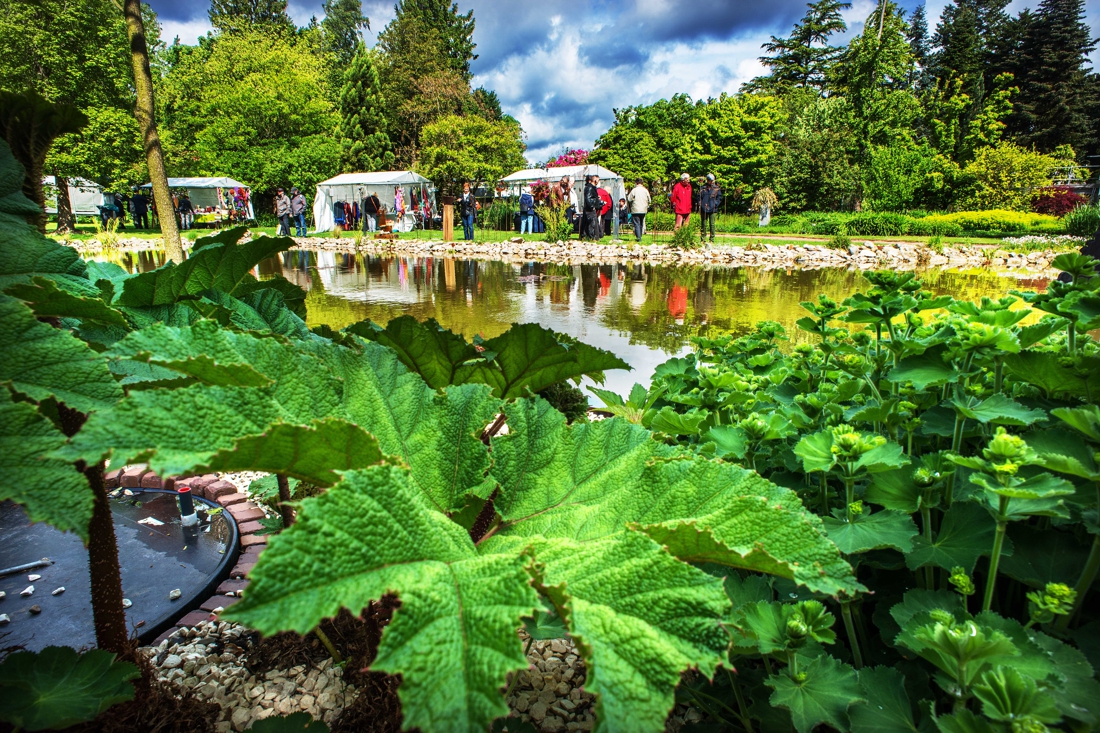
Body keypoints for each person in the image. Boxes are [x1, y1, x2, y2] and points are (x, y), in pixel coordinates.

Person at [698, 173, 723, 243]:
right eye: (711, 180)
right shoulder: (702, 188)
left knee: (712, 224)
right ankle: (703, 239)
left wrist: (715, 204)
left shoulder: (717, 189)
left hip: (713, 209)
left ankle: (712, 239)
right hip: (704, 209)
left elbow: (719, 198)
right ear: (708, 180)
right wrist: (700, 204)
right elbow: (698, 197)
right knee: (703, 224)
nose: (712, 182)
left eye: (713, 180)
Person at [627, 178, 650, 242]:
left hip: (635, 209)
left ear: (636, 183)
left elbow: (629, 199)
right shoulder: (645, 190)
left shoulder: (634, 190)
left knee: (636, 223)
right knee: (641, 223)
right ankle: (640, 235)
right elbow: (649, 199)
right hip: (643, 209)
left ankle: (638, 237)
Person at [582, 175, 602, 241]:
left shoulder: (592, 187)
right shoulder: (590, 188)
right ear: (595, 180)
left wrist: (597, 200)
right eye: (598, 180)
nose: (598, 182)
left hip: (590, 208)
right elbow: (588, 198)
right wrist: (592, 206)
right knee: (592, 223)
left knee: (591, 223)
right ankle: (592, 237)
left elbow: (591, 197)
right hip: (590, 209)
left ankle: (590, 237)